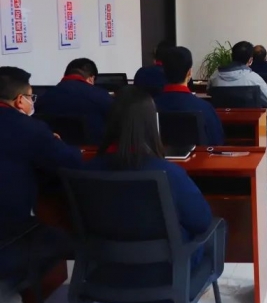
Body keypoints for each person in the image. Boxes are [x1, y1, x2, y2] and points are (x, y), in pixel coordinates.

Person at [83, 86, 213, 264]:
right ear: (152, 124)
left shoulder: (87, 170)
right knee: (216, 231)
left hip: (106, 266)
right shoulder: (169, 173)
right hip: (168, 269)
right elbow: (201, 221)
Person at [0, 67, 82, 294]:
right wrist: (54, 142)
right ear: (19, 101)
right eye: (30, 97)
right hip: (9, 233)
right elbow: (71, 161)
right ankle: (13, 287)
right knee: (67, 239)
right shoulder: (27, 127)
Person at [155, 46, 224, 146]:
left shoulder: (150, 107)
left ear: (164, 72)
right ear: (189, 73)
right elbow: (217, 144)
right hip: (199, 156)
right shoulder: (205, 108)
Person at [35, 58, 113, 144]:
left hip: (54, 149)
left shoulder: (43, 97)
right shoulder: (101, 96)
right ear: (91, 78)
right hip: (93, 150)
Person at [208, 41, 267, 108]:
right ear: (250, 60)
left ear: (231, 56)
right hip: (250, 117)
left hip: (220, 117)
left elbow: (209, 92)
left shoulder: (215, 76)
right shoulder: (254, 78)